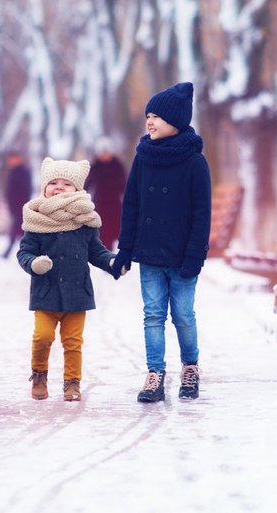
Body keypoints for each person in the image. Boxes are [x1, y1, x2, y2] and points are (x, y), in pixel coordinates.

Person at [111, 82, 211, 403]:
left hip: (183, 257)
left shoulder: (195, 163)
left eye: (156, 116)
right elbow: (132, 206)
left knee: (183, 315)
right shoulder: (144, 158)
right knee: (153, 314)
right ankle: (155, 373)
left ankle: (190, 366)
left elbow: (201, 214)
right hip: (150, 254)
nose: (149, 122)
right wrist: (125, 249)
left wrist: (196, 254)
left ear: (176, 121)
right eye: (147, 116)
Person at [17, 158, 122, 401]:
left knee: (73, 342)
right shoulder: (36, 220)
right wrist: (34, 264)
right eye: (53, 182)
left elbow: (96, 252)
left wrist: (112, 263)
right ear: (44, 187)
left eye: (66, 183)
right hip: (46, 293)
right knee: (42, 337)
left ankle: (72, 384)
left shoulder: (84, 220)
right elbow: (24, 252)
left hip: (77, 294)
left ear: (78, 189)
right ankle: (39, 374)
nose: (59, 187)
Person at [84, 137, 126, 249]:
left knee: (115, 229)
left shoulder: (117, 166)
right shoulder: (95, 166)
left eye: (106, 152)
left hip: (114, 204)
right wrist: (82, 195)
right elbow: (88, 184)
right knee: (102, 231)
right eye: (102, 153)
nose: (104, 155)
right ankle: (103, 253)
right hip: (100, 203)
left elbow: (124, 185)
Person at [2, 150, 32, 258]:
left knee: (19, 231)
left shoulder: (23, 172)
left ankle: (11, 252)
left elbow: (25, 190)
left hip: (21, 207)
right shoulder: (13, 172)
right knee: (19, 232)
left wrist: (21, 206)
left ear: (18, 159)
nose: (9, 162)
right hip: (14, 207)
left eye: (11, 159)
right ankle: (26, 252)